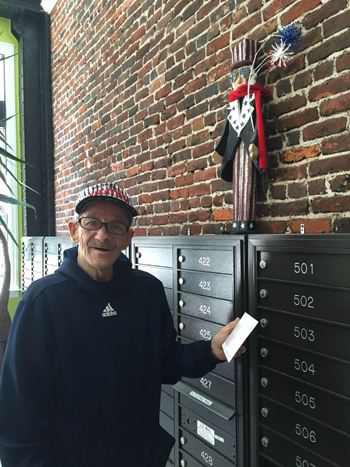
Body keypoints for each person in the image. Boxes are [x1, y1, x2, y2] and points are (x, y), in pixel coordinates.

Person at [0, 182, 245, 467]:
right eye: (92, 223)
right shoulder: (43, 300)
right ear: (74, 230)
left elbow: (164, 363)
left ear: (128, 238)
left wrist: (212, 351)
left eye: (116, 226)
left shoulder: (147, 291)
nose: (103, 235)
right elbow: (20, 409)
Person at [213, 38, 272, 233]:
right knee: (237, 186)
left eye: (244, 74)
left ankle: (247, 223)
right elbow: (228, 130)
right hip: (235, 151)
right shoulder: (233, 103)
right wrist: (221, 150)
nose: (239, 80)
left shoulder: (255, 98)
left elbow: (259, 124)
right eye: (234, 76)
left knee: (248, 184)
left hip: (248, 149)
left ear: (253, 74)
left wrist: (255, 144)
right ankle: (237, 223)